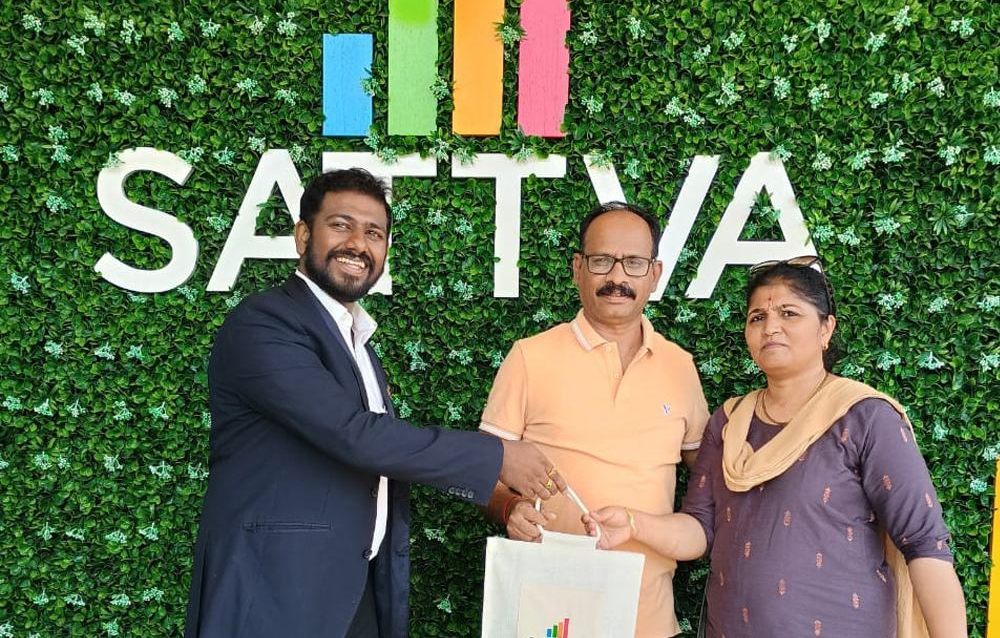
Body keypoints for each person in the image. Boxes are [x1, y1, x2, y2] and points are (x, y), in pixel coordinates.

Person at [184, 168, 565, 638]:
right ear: (302, 235)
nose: (358, 245)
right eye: (340, 225)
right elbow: (355, 435)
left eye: (374, 233)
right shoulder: (263, 324)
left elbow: (378, 458)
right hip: (273, 594)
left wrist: (501, 502)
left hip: (350, 593)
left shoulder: (355, 340)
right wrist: (498, 457)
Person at [585, 256, 968, 638]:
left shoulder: (864, 417)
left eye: (789, 313)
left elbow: (925, 546)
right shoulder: (729, 422)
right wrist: (633, 524)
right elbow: (699, 529)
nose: (770, 327)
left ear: (826, 328)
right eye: (758, 317)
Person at [479, 201, 711, 638]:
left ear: (655, 274)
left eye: (634, 263)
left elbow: (709, 480)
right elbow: (484, 472)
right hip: (549, 617)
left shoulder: (680, 366)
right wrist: (510, 508)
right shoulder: (529, 357)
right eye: (602, 260)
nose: (617, 277)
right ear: (578, 269)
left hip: (649, 618)